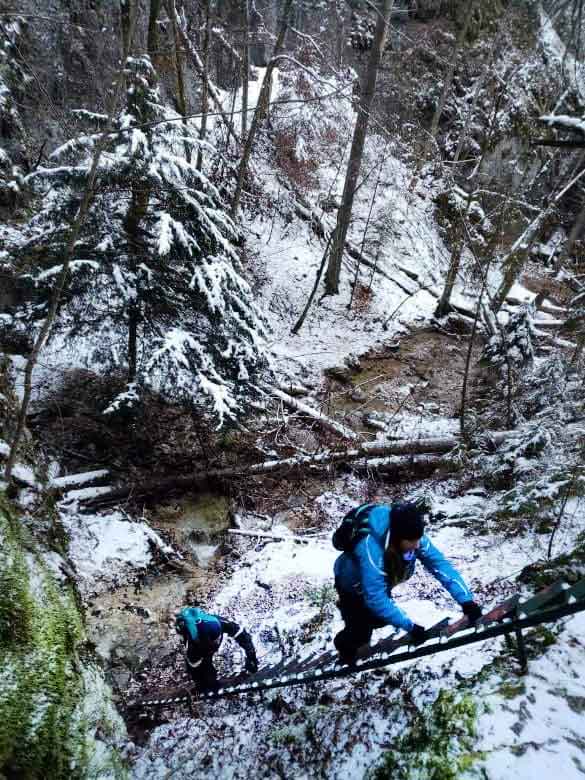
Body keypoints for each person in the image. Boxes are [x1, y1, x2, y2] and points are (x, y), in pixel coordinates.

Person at [333, 501, 482, 664]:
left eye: (419, 539)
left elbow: (440, 565)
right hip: (351, 585)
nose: (417, 545)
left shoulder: (412, 535)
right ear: (397, 538)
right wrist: (410, 626)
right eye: (412, 541)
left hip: (377, 580)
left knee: (379, 619)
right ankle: (343, 647)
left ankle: (364, 624)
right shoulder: (370, 548)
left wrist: (466, 601)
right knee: (360, 632)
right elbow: (376, 598)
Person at [175, 606, 258, 691]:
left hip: (205, 638)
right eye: (214, 642)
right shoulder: (192, 646)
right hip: (199, 647)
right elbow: (194, 666)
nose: (216, 643)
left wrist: (251, 657)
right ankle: (207, 683)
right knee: (202, 668)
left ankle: (208, 681)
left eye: (216, 640)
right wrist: (202, 684)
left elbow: (242, 636)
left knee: (205, 663)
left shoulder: (219, 622)